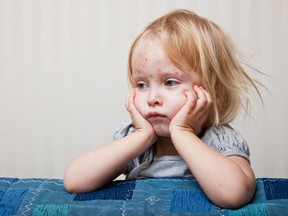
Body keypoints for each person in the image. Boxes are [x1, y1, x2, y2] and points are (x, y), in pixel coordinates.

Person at [64, 9, 261, 209]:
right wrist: (141, 136)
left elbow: (235, 194)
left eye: (170, 82)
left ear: (212, 91)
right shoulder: (137, 144)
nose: (152, 98)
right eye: (141, 85)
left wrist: (183, 133)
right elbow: (74, 181)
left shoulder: (219, 140)